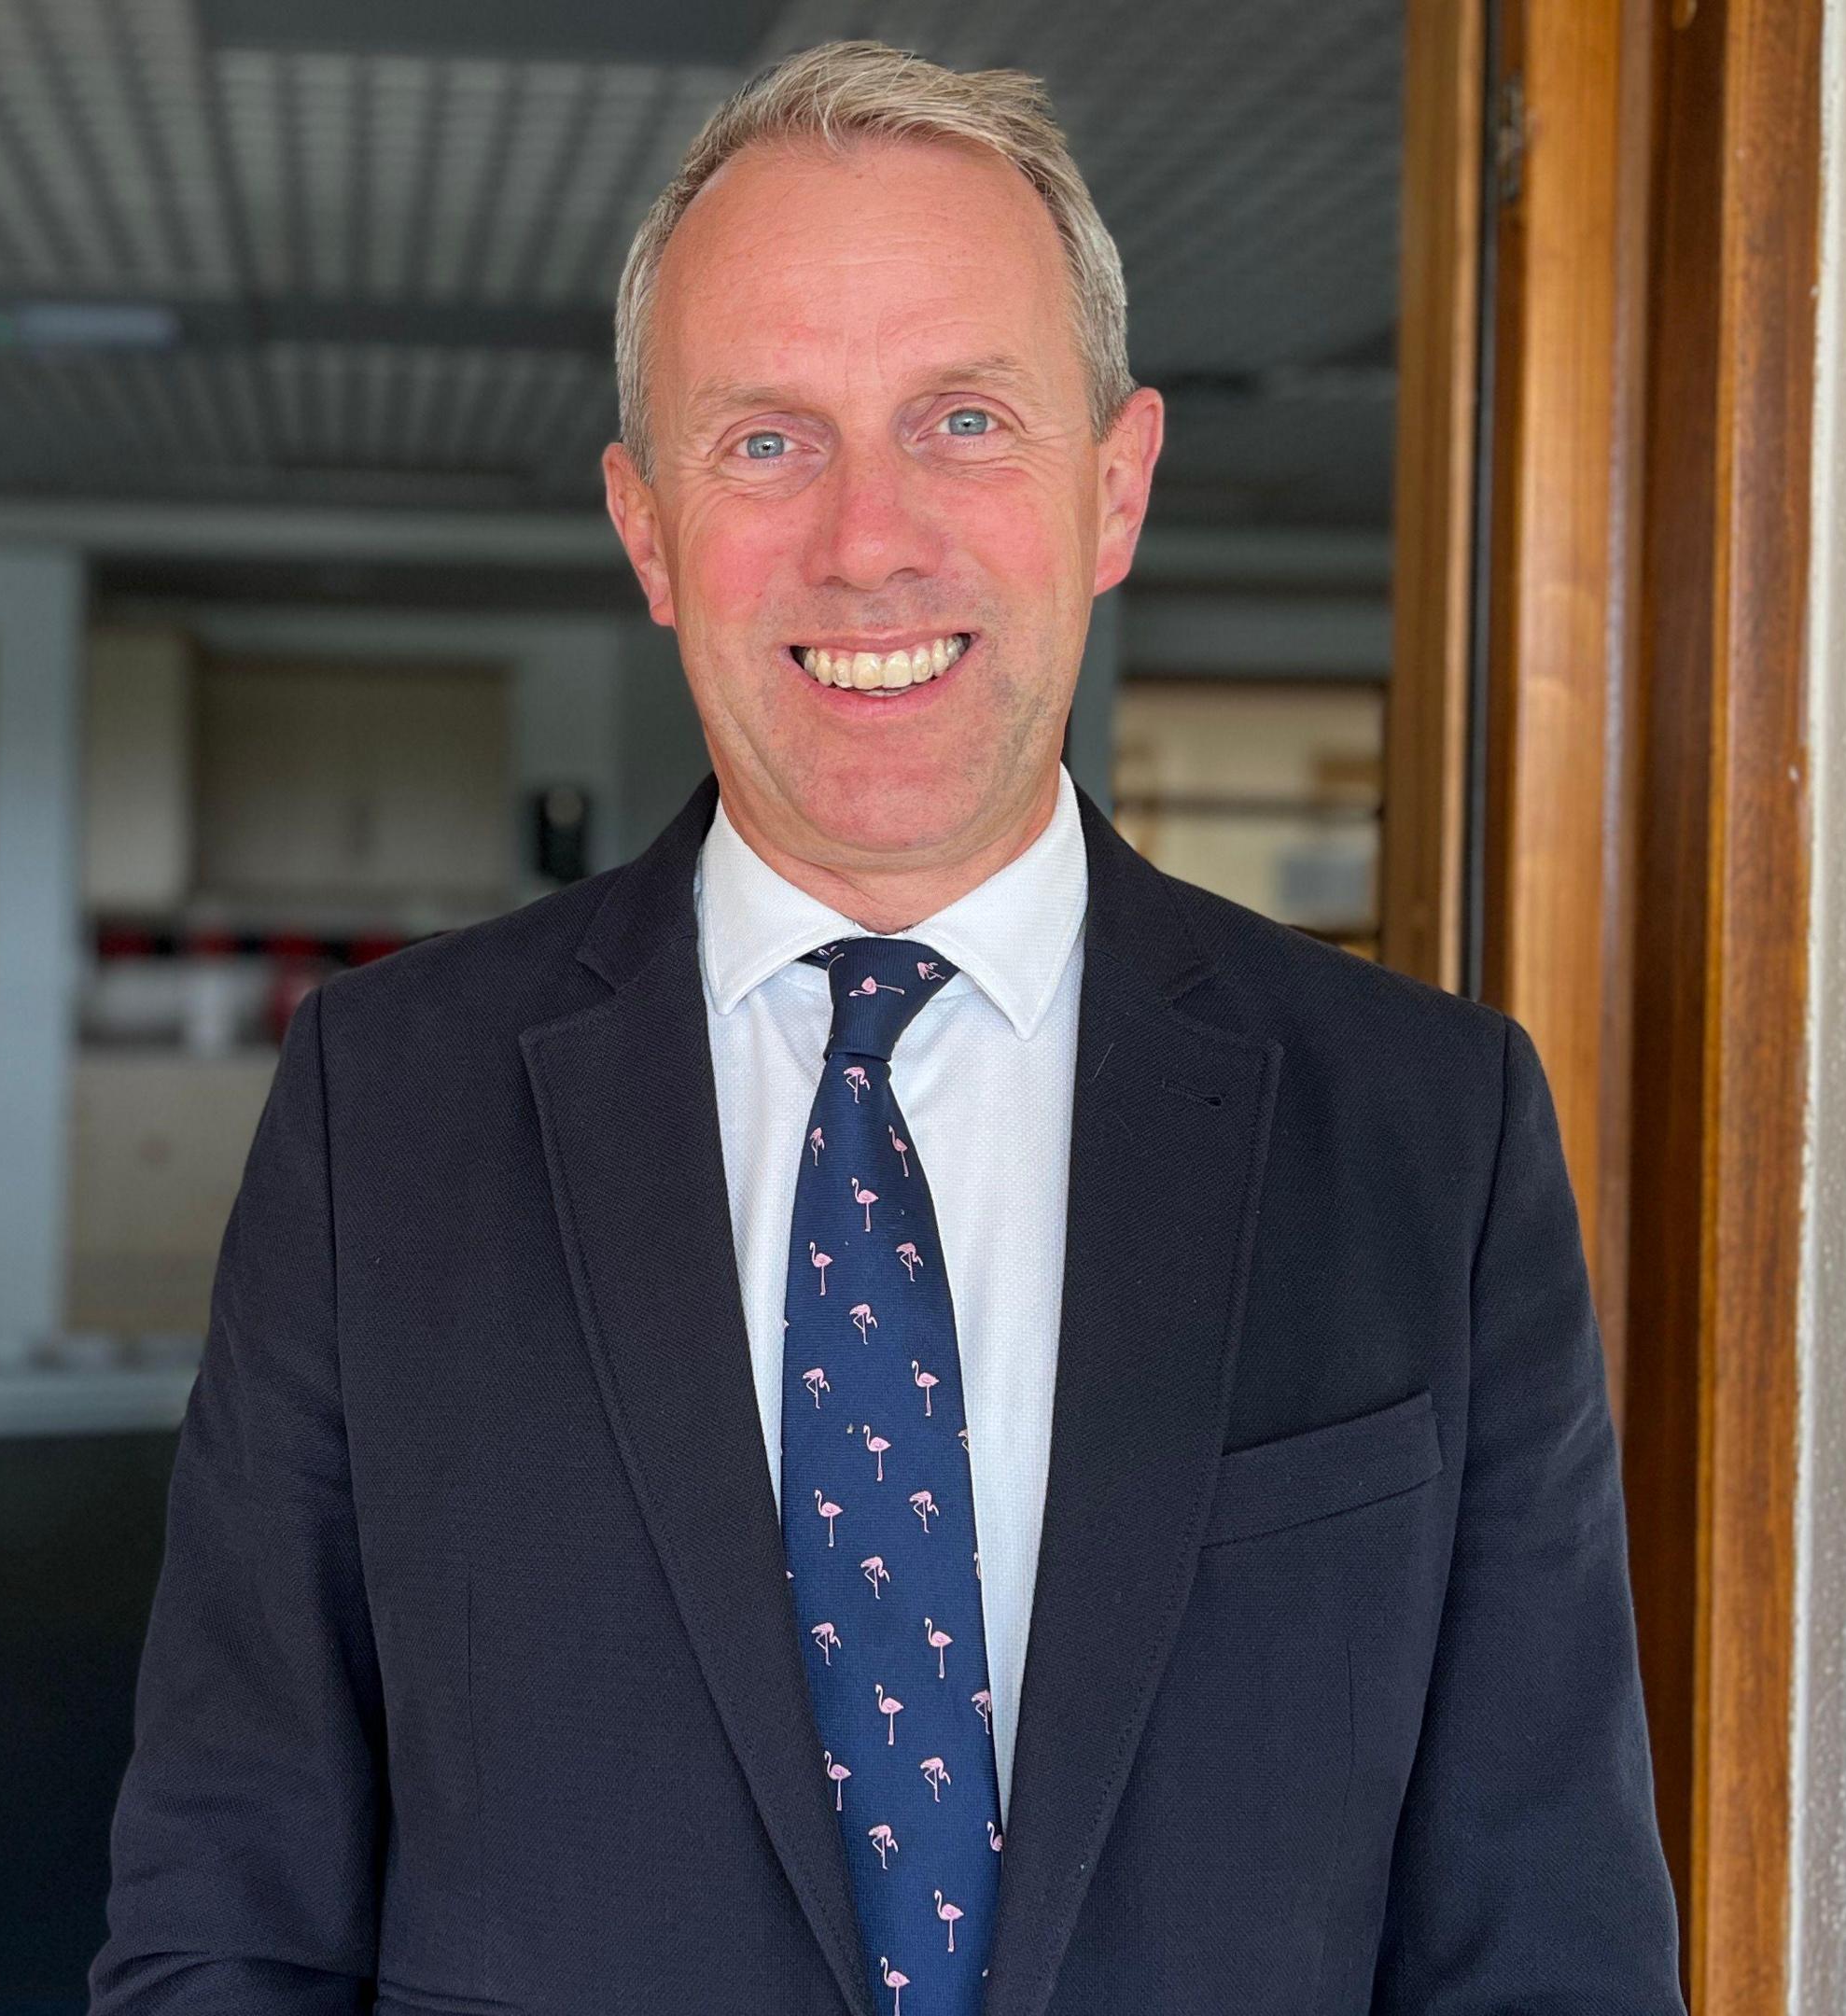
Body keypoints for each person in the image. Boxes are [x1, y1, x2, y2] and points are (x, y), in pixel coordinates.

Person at [91, 40, 1681, 2016]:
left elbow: (1549, 1946)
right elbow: (227, 1901)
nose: (867, 540)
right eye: (765, 440)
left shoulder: (1428, 1135)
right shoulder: (381, 1111)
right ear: (647, 529)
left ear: (1116, 486)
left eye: (963, 420)